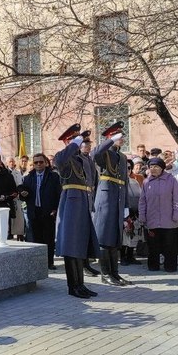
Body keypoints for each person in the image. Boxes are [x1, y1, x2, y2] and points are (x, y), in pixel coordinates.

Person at [54, 124, 99, 298]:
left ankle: (80, 284)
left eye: (78, 139)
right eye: (74, 139)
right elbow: (59, 162)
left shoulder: (82, 158)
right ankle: (73, 287)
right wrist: (73, 144)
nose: (79, 142)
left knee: (80, 245)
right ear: (68, 141)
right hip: (71, 201)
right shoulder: (62, 156)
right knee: (71, 245)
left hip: (83, 201)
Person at [92, 122, 133, 287]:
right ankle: (105, 274)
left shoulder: (123, 157)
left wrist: (126, 207)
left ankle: (115, 274)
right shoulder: (105, 154)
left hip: (119, 199)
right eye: (117, 136)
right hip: (106, 199)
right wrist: (109, 141)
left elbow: (125, 183)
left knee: (115, 239)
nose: (122, 138)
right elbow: (95, 153)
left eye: (122, 136)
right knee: (104, 237)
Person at [139, 158, 178, 272]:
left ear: (162, 168)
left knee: (170, 245)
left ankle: (170, 266)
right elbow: (142, 201)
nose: (153, 169)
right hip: (152, 220)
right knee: (153, 245)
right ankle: (153, 266)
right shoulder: (146, 182)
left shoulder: (171, 180)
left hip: (169, 220)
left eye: (156, 167)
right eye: (151, 167)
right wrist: (142, 216)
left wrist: (177, 215)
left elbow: (177, 199)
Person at [20, 154, 62, 270]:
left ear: (46, 163)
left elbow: (58, 194)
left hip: (48, 211)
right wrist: (23, 193)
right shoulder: (29, 178)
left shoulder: (53, 176)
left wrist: (55, 209)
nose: (38, 164)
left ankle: (49, 262)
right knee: (37, 238)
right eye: (36, 162)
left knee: (48, 238)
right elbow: (24, 193)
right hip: (34, 212)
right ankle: (40, 262)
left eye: (41, 162)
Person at [79, 133, 100, 276]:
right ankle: (82, 265)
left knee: (87, 234)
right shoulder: (77, 159)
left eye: (89, 145)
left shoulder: (89, 159)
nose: (88, 147)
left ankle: (87, 263)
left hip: (90, 199)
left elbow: (94, 179)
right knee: (81, 235)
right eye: (85, 145)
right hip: (81, 199)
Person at [121, 159, 144, 266]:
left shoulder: (134, 182)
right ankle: (123, 257)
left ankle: (130, 256)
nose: (127, 170)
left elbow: (140, 196)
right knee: (124, 237)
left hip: (135, 213)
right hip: (123, 214)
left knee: (133, 236)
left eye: (129, 168)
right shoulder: (117, 183)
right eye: (125, 167)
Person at [6, 157, 26, 240]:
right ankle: (8, 235)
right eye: (10, 161)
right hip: (6, 199)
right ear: (7, 163)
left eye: (13, 161)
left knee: (17, 220)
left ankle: (18, 235)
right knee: (7, 221)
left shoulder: (17, 173)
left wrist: (18, 192)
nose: (11, 163)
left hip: (16, 198)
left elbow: (19, 185)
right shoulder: (4, 173)